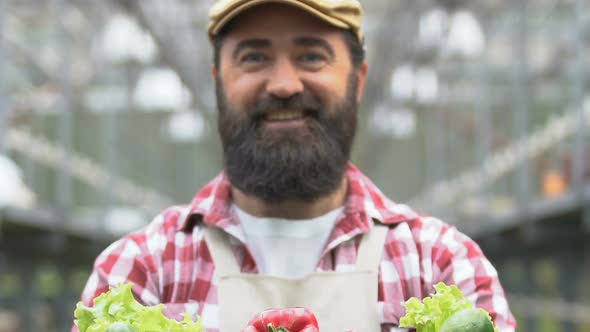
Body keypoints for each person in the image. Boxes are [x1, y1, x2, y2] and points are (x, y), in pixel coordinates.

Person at [73, 0, 517, 331]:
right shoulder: (142, 268)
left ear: (357, 80)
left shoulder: (441, 264)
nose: (284, 84)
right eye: (254, 57)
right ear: (218, 84)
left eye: (311, 57)